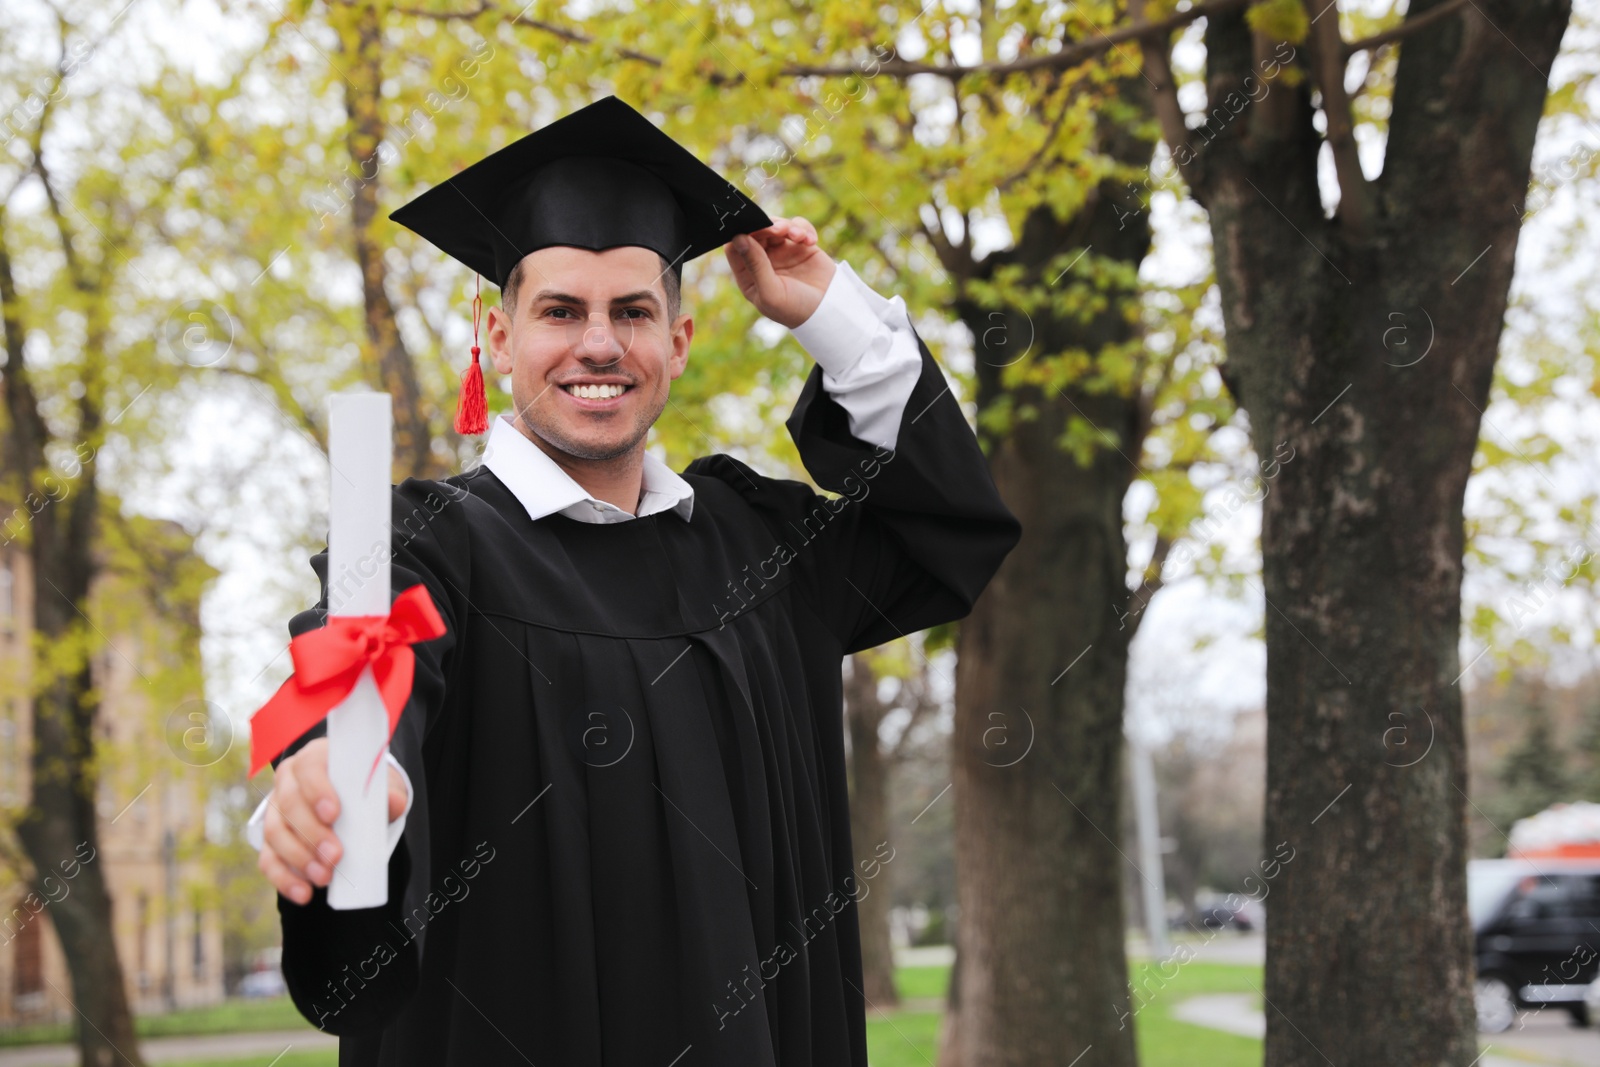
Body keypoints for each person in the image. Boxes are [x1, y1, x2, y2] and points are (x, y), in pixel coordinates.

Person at [245, 95, 1020, 1067]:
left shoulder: (761, 553)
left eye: (634, 311)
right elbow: (364, 650)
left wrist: (832, 314)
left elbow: (945, 534)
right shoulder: (432, 545)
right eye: (561, 310)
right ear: (496, 335)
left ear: (679, 343)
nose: (600, 344)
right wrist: (345, 771)